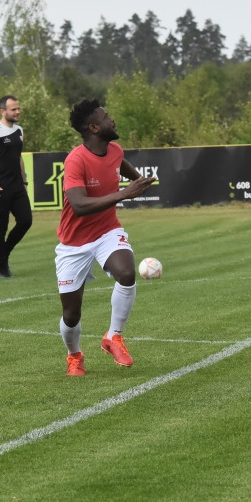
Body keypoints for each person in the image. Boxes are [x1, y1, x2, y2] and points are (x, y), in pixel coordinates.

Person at [55, 99, 155, 376]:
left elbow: (120, 165)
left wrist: (138, 181)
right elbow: (78, 205)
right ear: (94, 127)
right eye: (107, 117)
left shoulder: (115, 150)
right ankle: (74, 356)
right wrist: (124, 193)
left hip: (107, 231)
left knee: (126, 272)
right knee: (71, 315)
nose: (113, 120)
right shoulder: (76, 159)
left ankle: (114, 336)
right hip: (73, 243)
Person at [0, 95, 32, 278]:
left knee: (26, 221)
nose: (17, 112)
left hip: (17, 186)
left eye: (18, 108)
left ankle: (3, 252)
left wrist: (24, 181)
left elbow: (19, 157)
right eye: (13, 109)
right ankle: (1, 268)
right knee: (0, 228)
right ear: (3, 111)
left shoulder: (19, 130)